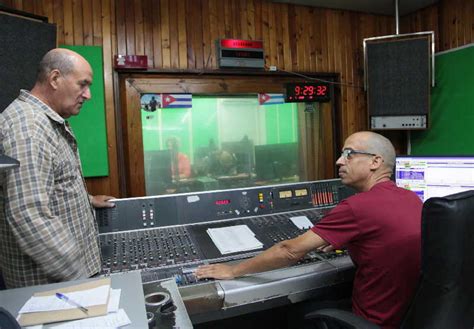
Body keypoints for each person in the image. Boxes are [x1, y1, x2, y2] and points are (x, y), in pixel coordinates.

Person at [196, 131, 423, 329]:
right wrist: (345, 238)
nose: (339, 161)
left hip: (371, 322)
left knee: (291, 315)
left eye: (349, 154)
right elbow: (385, 239)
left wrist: (234, 271)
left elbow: (289, 251)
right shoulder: (411, 198)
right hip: (406, 318)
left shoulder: (357, 207)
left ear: (375, 161)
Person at [0, 48, 115, 288]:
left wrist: (87, 198)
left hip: (65, 281)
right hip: (55, 286)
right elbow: (30, 215)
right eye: (83, 84)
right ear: (54, 79)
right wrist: (82, 278)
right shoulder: (29, 129)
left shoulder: (42, 121)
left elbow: (46, 183)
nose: (88, 94)